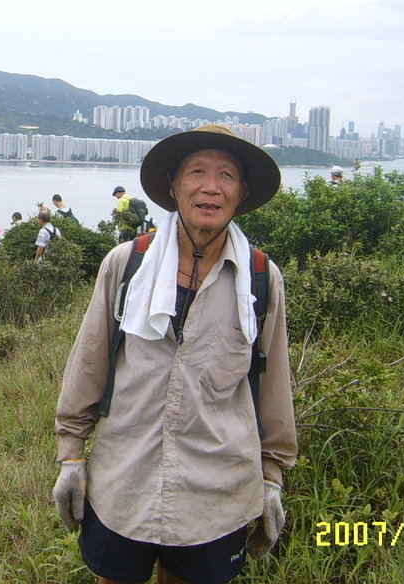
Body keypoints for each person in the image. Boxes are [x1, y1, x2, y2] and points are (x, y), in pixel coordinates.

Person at [53, 124, 297, 584]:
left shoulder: (261, 278)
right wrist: (71, 455)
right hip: (124, 479)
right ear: (174, 186)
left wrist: (272, 475)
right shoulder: (127, 263)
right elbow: (90, 360)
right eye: (197, 172)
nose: (211, 187)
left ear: (242, 193)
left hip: (216, 489)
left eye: (226, 175)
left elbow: (273, 381)